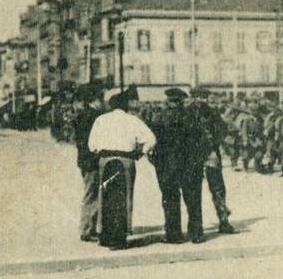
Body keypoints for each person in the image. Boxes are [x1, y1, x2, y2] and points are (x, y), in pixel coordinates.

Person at [87, 87, 156, 250]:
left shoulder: (101, 120)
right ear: (125, 106)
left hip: (106, 160)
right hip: (126, 160)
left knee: (105, 197)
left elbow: (91, 145)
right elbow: (151, 139)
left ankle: (104, 235)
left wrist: (100, 151)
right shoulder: (133, 120)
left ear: (111, 105)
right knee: (125, 197)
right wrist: (141, 152)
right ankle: (121, 236)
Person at [150, 88, 207, 243]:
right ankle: (196, 234)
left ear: (168, 101)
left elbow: (153, 144)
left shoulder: (159, 118)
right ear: (182, 101)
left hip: (168, 167)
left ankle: (174, 235)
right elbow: (202, 141)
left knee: (170, 199)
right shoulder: (193, 117)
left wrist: (157, 162)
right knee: (194, 199)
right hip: (191, 165)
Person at [192, 89, 236, 235]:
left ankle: (223, 220)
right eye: (198, 97)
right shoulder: (189, 112)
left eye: (203, 98)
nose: (200, 100)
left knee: (217, 189)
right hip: (195, 155)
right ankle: (197, 226)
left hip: (209, 154)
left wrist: (214, 144)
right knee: (194, 191)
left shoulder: (213, 113)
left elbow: (222, 131)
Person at [72, 84, 104, 242]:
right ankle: (86, 230)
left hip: (84, 160)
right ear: (96, 100)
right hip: (92, 161)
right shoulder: (94, 117)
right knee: (92, 194)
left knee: (91, 193)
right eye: (101, 99)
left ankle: (89, 228)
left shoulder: (82, 115)